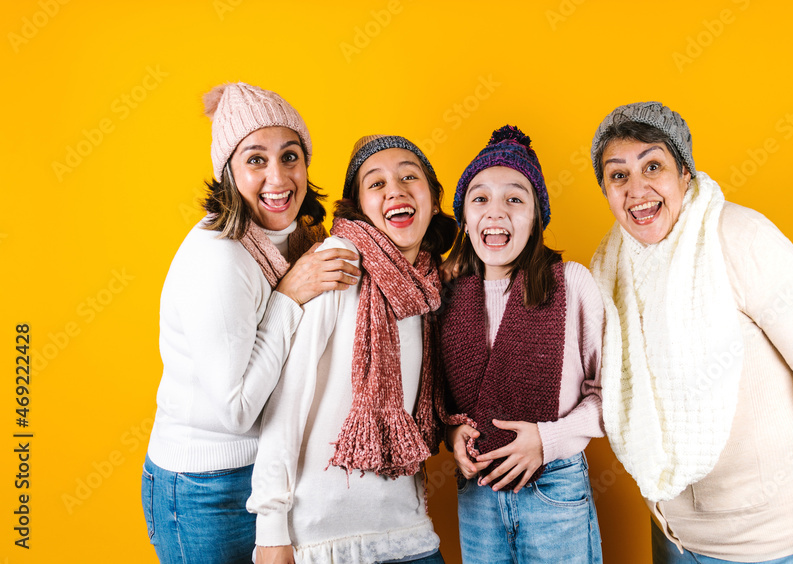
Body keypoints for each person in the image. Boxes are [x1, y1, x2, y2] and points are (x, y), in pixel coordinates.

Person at [588, 102, 793, 564]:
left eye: (653, 166)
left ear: (685, 175)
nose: (637, 190)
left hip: (769, 545)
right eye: (618, 175)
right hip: (673, 536)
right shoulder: (609, 267)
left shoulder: (739, 236)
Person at [141, 82, 360, 564]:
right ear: (228, 174)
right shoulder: (220, 257)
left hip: (263, 476)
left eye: (290, 156)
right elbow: (236, 411)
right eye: (255, 160)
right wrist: (289, 295)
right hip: (205, 491)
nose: (278, 178)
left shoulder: (286, 236)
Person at [247, 134, 457, 564]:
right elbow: (285, 404)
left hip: (407, 532)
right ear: (358, 208)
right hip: (323, 541)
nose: (395, 189)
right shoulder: (339, 263)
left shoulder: (430, 284)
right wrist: (270, 530)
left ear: (433, 200)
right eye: (376, 183)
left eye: (408, 176)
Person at [439, 125, 604, 563]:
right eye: (480, 198)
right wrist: (452, 431)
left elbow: (614, 396)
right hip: (478, 495)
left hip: (554, 487)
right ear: (464, 217)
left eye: (515, 198)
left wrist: (548, 440)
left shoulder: (571, 284)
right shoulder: (446, 294)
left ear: (535, 218)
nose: (496, 212)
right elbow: (435, 395)